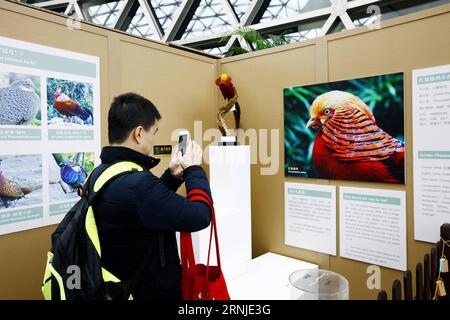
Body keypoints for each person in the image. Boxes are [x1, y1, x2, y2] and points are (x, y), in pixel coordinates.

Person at [89, 92, 212, 300]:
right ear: (139, 133)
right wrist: (193, 169)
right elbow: (201, 215)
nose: (154, 138)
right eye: (153, 132)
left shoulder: (100, 173)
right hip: (149, 290)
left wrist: (172, 177)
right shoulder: (139, 185)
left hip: (119, 284)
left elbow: (141, 211)